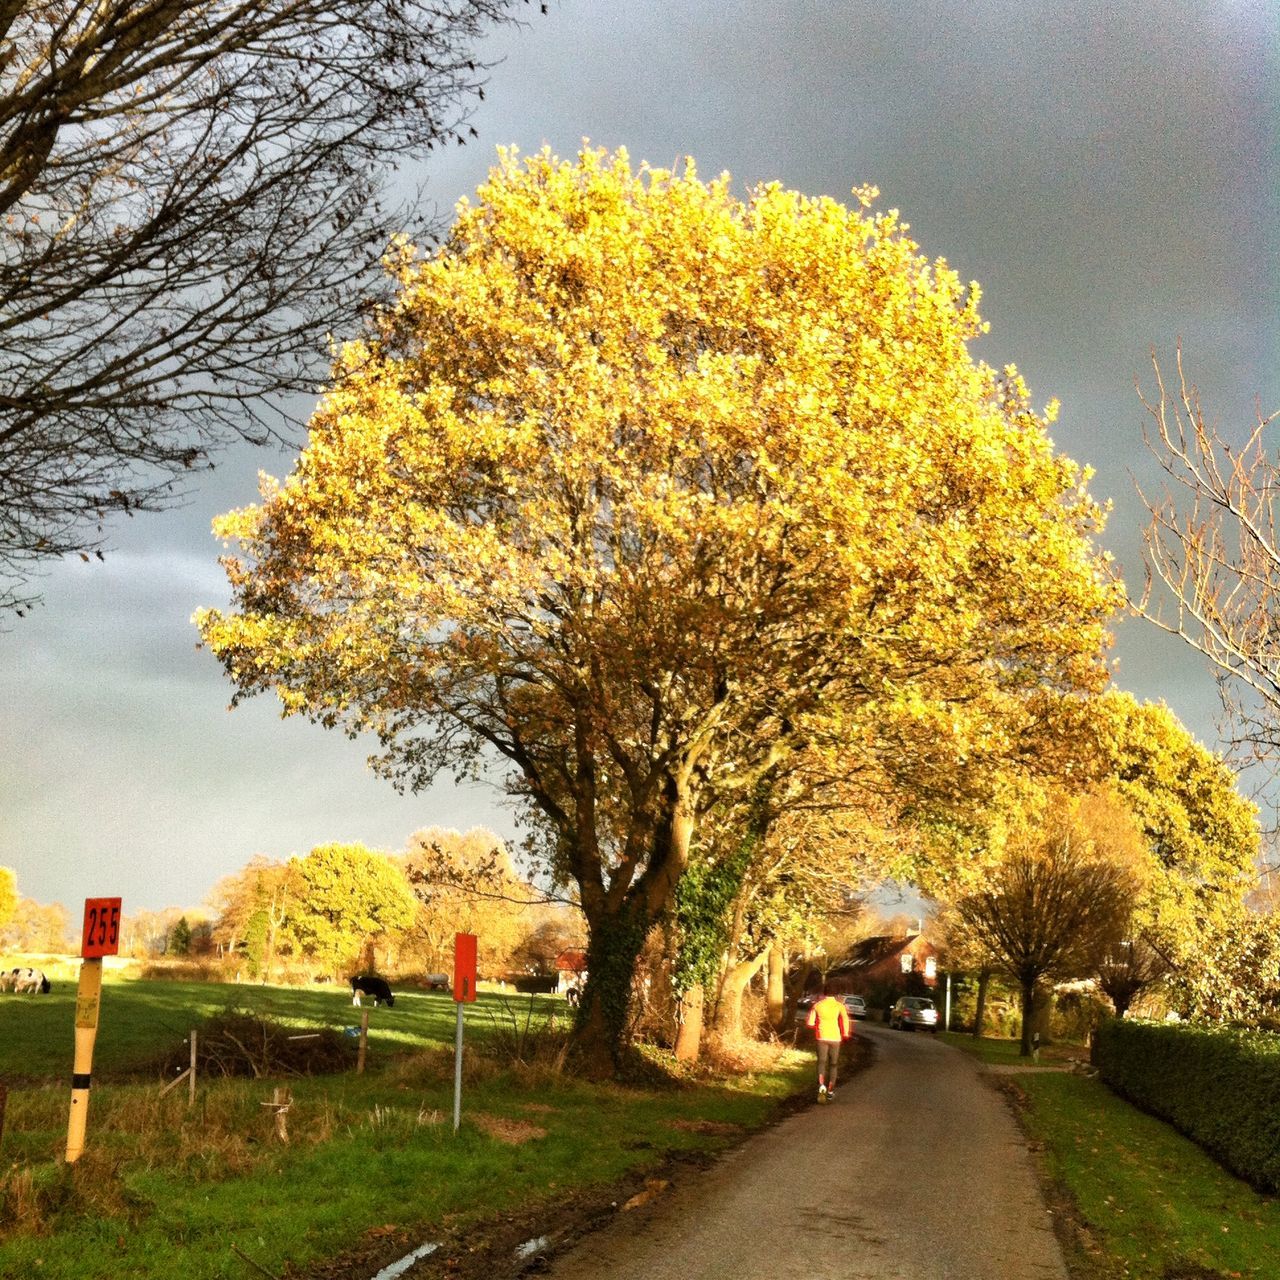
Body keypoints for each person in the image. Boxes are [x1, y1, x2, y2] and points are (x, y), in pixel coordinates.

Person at [806, 985, 851, 1101]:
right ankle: (830, 1091)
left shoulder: (817, 1005)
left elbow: (810, 1023)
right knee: (833, 1064)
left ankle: (821, 1086)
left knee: (821, 1062)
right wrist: (845, 1033)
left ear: (824, 993)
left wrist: (815, 1025)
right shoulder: (839, 1006)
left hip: (822, 1037)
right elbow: (845, 1020)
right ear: (835, 994)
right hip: (835, 1038)